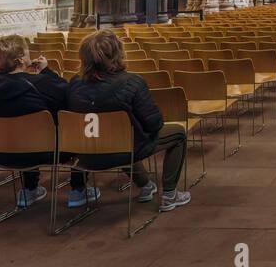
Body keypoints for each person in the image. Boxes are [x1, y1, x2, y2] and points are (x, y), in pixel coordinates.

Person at [66, 30, 190, 211]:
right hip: (121, 150)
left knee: (122, 136)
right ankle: (170, 195)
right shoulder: (132, 81)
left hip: (84, 154)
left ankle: (146, 185)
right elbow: (154, 124)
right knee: (177, 134)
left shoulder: (75, 83)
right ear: (118, 54)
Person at [0, 34, 69, 209]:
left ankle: (30, 189)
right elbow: (67, 97)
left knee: (22, 132)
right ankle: (79, 189)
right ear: (21, 59)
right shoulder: (41, 83)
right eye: (27, 52)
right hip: (43, 152)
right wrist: (46, 72)